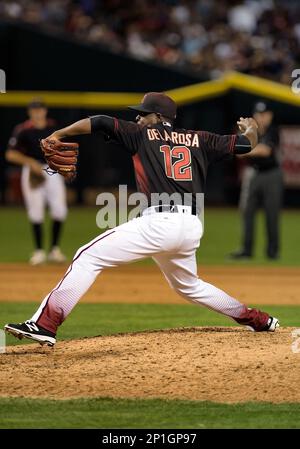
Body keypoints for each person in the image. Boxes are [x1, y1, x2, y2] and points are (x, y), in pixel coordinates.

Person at [4, 92, 279, 346]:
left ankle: (45, 325)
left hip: (160, 222)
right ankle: (258, 319)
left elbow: (99, 121)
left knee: (88, 256)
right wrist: (253, 128)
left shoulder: (140, 134)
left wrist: (58, 133)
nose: (138, 118)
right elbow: (245, 144)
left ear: (158, 117)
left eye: (143, 113)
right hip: (192, 226)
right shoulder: (201, 139)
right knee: (189, 286)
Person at [6, 99, 67, 265]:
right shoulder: (23, 130)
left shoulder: (53, 128)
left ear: (45, 111)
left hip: (52, 170)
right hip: (32, 171)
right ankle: (39, 252)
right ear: (29, 112)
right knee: (35, 210)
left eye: (40, 109)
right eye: (34, 110)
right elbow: (10, 154)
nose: (37, 112)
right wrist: (30, 163)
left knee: (60, 210)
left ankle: (54, 250)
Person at [229, 101, 283, 260]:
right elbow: (237, 151)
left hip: (272, 174)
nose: (261, 117)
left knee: (272, 214)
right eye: (258, 114)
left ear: (270, 115)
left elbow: (265, 151)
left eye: (264, 114)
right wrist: (249, 150)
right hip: (252, 173)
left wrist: (248, 149)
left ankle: (273, 252)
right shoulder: (250, 131)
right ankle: (246, 250)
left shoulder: (273, 130)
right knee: (246, 211)